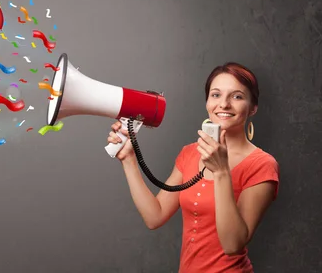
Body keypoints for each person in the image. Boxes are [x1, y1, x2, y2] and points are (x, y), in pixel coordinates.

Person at [108, 62, 279, 273]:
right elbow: (155, 216)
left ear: (253, 107)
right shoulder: (190, 153)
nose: (223, 104)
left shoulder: (262, 165)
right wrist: (128, 159)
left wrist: (221, 172)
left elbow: (233, 244)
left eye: (237, 96)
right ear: (207, 102)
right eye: (216, 95)